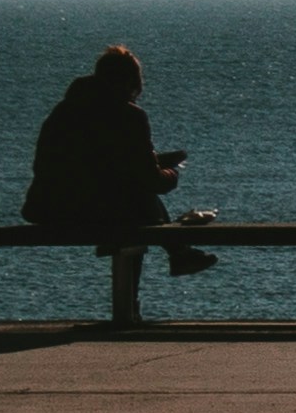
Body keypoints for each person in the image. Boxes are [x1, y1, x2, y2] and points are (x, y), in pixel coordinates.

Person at [20, 46, 212, 275]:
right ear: (130, 83)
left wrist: (152, 163)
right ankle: (175, 256)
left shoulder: (63, 111)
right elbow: (150, 181)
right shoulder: (129, 116)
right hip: (93, 211)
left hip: (48, 207)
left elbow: (93, 164)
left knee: (134, 199)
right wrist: (171, 173)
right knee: (140, 200)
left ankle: (178, 254)